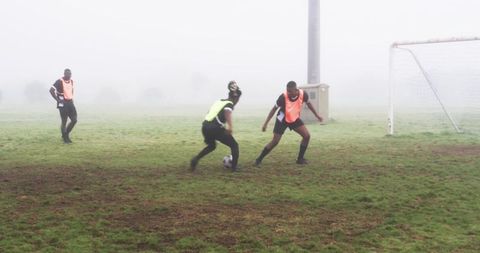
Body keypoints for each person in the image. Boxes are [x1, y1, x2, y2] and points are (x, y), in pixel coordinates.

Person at [255, 81, 323, 166]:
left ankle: (300, 159)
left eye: (290, 91)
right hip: (282, 119)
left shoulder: (303, 94)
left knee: (306, 136)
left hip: (294, 118)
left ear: (296, 89)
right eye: (287, 91)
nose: (288, 93)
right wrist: (265, 123)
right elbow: (273, 109)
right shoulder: (283, 97)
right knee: (275, 141)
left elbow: (309, 104)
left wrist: (317, 116)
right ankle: (259, 159)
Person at [191, 85, 242, 172]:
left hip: (205, 126)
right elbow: (227, 112)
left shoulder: (219, 101)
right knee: (234, 145)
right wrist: (230, 126)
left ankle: (195, 159)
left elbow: (210, 112)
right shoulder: (230, 104)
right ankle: (234, 168)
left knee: (212, 146)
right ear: (236, 99)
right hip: (215, 128)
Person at [49, 68, 77, 143]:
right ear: (64, 74)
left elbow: (71, 90)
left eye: (70, 74)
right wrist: (57, 100)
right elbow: (51, 90)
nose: (70, 75)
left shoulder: (71, 81)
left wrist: (71, 97)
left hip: (70, 102)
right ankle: (65, 139)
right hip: (62, 103)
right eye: (68, 74)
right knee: (64, 121)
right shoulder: (59, 81)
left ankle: (65, 135)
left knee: (74, 120)